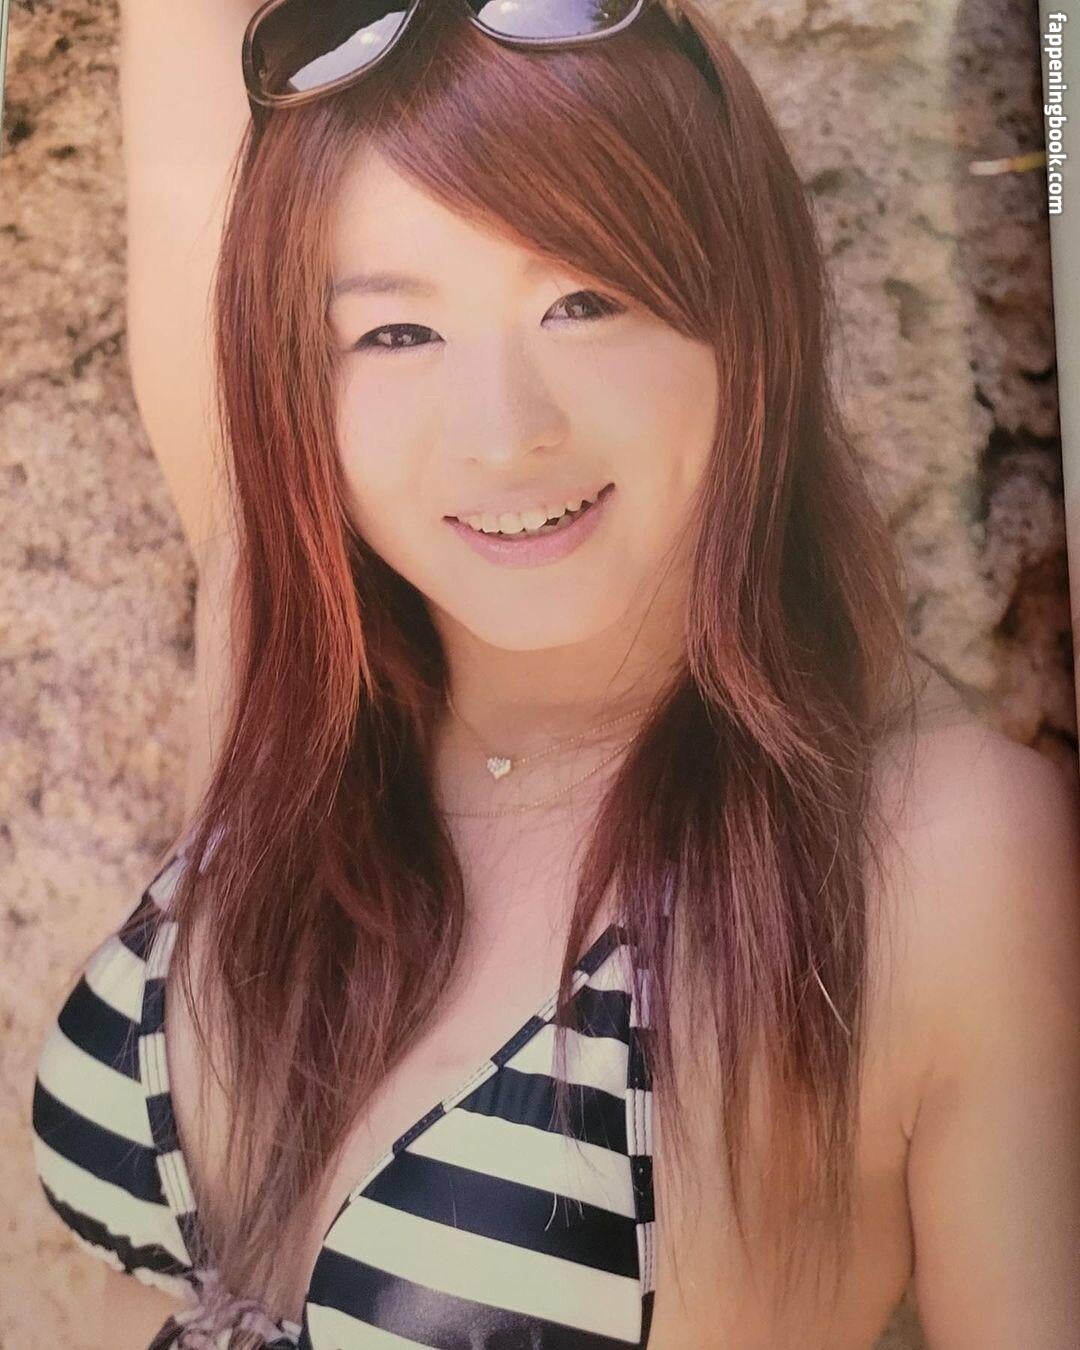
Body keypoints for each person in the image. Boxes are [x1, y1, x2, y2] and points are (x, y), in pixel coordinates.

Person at [29, 2, 1080, 1347]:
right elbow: (189, 111)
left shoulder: (927, 854)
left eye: (584, 301)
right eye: (395, 334)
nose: (503, 432)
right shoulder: (293, 715)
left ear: (747, 324)